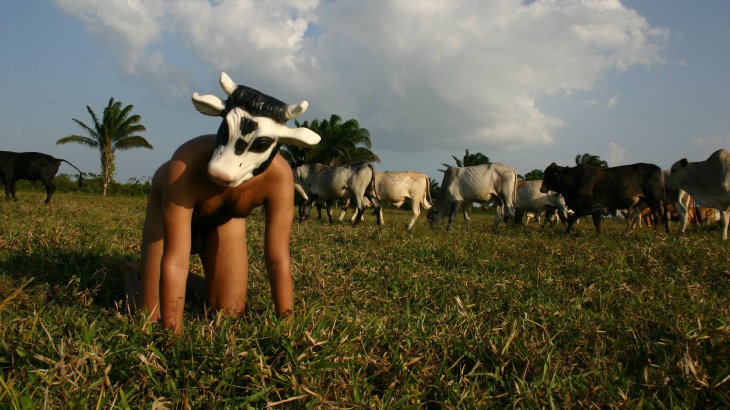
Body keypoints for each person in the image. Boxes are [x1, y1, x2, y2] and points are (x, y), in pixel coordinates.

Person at [122, 73, 320, 334]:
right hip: (169, 218)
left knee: (230, 312)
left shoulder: (279, 177)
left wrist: (288, 326)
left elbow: (277, 259)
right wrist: (173, 337)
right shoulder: (184, 165)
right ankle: (129, 276)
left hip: (223, 220)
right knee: (150, 318)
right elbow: (176, 259)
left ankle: (195, 283)